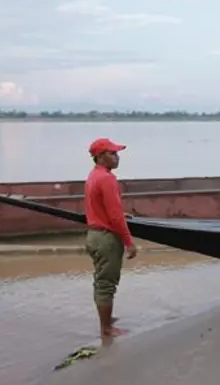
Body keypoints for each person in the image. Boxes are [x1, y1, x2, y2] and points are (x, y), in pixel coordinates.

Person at [84, 138, 138, 338]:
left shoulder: (93, 176)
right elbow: (115, 216)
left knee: (100, 280)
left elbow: (96, 206)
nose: (117, 157)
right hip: (106, 238)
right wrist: (129, 242)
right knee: (107, 283)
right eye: (112, 153)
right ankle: (106, 328)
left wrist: (118, 216)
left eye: (116, 153)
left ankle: (107, 319)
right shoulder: (107, 179)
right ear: (99, 157)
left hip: (94, 235)